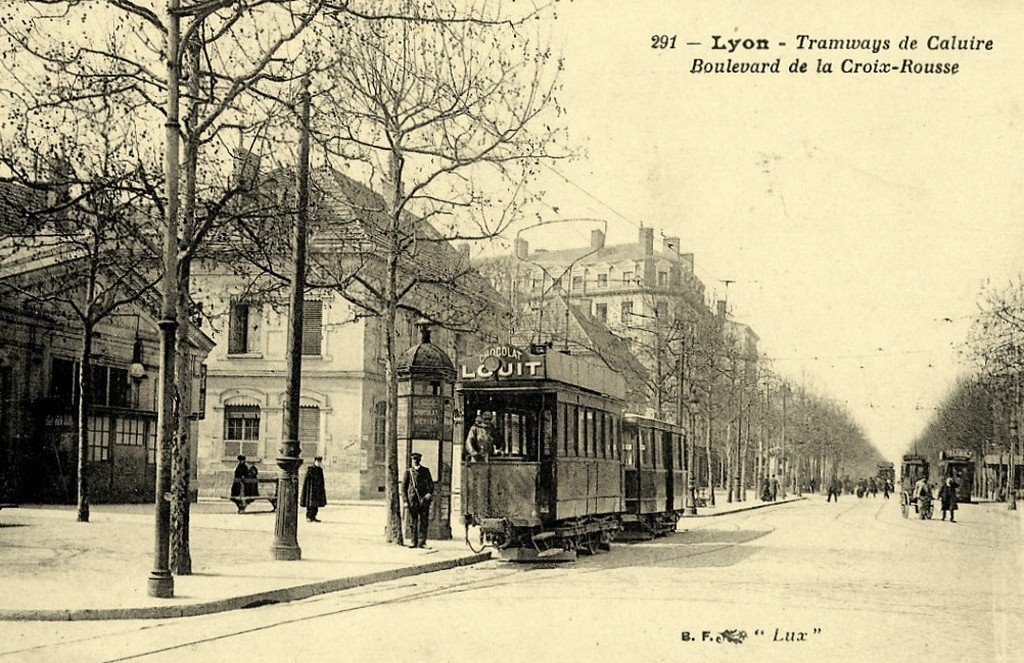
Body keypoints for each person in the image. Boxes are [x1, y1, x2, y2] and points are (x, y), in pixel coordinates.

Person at [402, 452, 434, 548]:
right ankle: (413, 541)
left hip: (424, 500)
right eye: (414, 459)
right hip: (413, 500)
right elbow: (403, 487)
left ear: (420, 460)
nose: (415, 461)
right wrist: (405, 501)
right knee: (413, 522)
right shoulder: (408, 472)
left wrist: (429, 493)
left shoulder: (425, 471)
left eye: (417, 459)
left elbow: (431, 484)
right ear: (412, 460)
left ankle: (422, 542)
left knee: (423, 522)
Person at [300, 456, 327, 522]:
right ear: (315, 461)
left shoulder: (320, 470)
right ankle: (308, 516)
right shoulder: (310, 469)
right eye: (318, 461)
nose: (319, 463)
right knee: (310, 504)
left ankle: (314, 516)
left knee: (316, 505)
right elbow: (307, 481)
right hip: (311, 490)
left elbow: (321, 481)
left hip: (317, 490)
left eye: (320, 462)